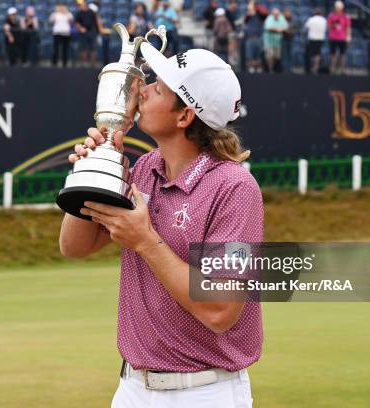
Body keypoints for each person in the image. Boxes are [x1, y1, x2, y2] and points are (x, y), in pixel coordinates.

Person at [61, 44, 263, 408]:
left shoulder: (235, 188)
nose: (143, 89)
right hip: (133, 388)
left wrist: (146, 241)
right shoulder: (143, 170)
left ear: (184, 116)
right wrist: (94, 168)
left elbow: (220, 310)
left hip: (206, 393)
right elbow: (75, 246)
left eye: (159, 86)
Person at [327, 0, 351, 74]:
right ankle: (332, 69)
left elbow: (348, 27)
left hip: (342, 38)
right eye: (337, 7)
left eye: (339, 7)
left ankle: (342, 70)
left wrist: (348, 37)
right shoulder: (331, 16)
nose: (338, 8)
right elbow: (328, 27)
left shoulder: (346, 16)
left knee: (342, 54)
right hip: (333, 38)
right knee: (333, 54)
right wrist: (333, 25)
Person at [262, 7, 287, 73]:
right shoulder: (269, 18)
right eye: (275, 14)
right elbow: (269, 28)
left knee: (276, 56)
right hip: (269, 41)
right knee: (269, 56)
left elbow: (285, 27)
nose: (276, 15)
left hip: (277, 41)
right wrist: (278, 30)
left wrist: (277, 29)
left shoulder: (281, 17)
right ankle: (270, 69)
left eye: (277, 14)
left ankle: (274, 69)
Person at [74, 0, 98, 66]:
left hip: (92, 32)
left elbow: (97, 21)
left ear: (86, 5)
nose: (81, 6)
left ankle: (93, 64)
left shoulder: (92, 12)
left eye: (82, 5)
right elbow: (76, 23)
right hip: (83, 32)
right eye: (80, 5)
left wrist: (99, 30)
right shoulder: (78, 13)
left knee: (93, 48)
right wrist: (80, 28)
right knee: (82, 48)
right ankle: (83, 64)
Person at [304, 8, 327, 74]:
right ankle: (315, 67)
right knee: (317, 53)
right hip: (320, 38)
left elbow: (306, 28)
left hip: (312, 38)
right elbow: (326, 29)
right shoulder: (324, 20)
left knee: (312, 53)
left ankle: (312, 68)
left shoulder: (311, 19)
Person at [49, 3, 72, 67]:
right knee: (55, 49)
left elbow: (70, 20)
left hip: (66, 33)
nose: (61, 8)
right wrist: (55, 13)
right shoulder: (54, 14)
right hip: (57, 33)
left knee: (65, 49)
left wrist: (65, 12)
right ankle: (54, 62)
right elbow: (51, 21)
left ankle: (64, 63)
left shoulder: (68, 14)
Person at [243, 1, 264, 73]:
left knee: (258, 57)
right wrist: (250, 6)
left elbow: (264, 12)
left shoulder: (260, 16)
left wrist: (256, 6)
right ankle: (250, 69)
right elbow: (246, 17)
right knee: (249, 56)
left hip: (257, 39)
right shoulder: (247, 17)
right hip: (249, 39)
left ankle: (258, 69)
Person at [281, 8, 295, 73]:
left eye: (289, 13)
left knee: (290, 54)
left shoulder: (292, 21)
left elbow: (293, 30)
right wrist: (287, 30)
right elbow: (282, 29)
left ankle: (289, 69)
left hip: (290, 39)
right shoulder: (282, 20)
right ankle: (285, 69)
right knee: (284, 55)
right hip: (284, 39)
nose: (288, 14)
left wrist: (288, 31)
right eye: (286, 13)